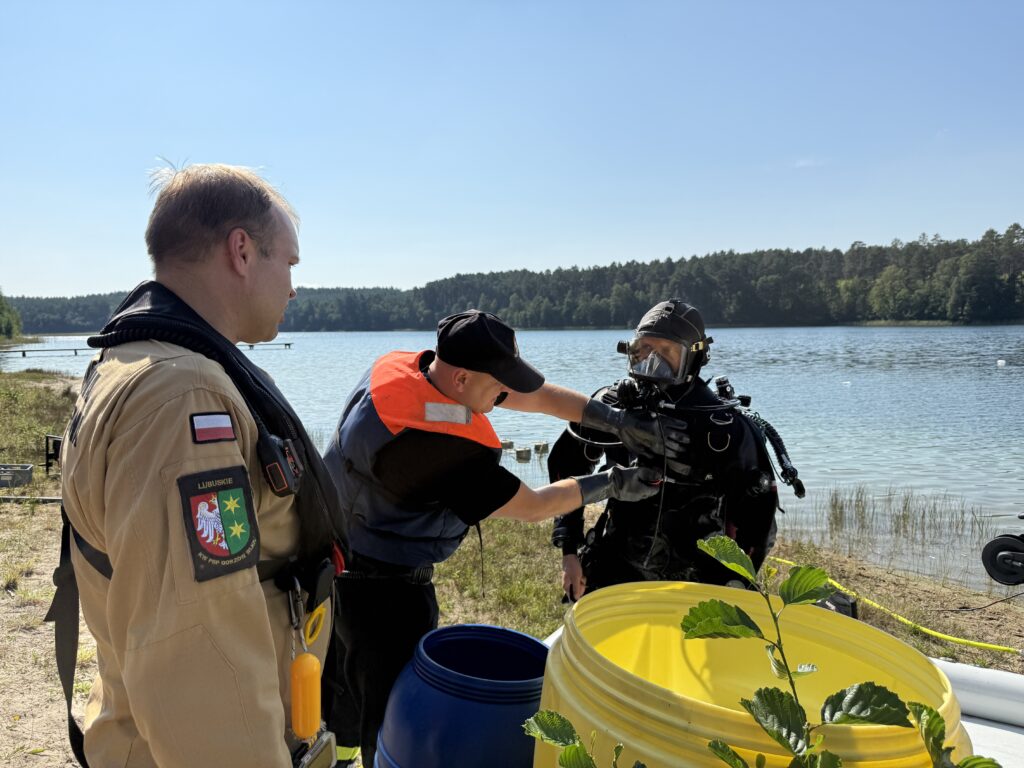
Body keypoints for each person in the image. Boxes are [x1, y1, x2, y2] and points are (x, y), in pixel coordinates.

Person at [48, 164, 346, 768]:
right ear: (241, 250)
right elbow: (197, 657)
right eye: (289, 263)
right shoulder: (182, 399)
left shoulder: (135, 358)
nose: (293, 288)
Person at [321, 309, 687, 766]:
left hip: (332, 549)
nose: (505, 393)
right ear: (461, 380)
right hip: (382, 587)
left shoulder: (413, 370)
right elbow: (533, 506)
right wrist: (612, 483)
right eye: (498, 383)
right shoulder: (434, 448)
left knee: (341, 684)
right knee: (387, 704)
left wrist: (613, 419)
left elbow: (534, 396)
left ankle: (334, 756)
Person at [549, 299, 804, 601]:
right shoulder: (612, 407)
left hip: (698, 578)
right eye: (643, 350)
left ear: (694, 358)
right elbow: (566, 463)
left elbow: (758, 521)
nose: (652, 363)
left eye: (666, 352)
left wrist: (737, 586)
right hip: (618, 562)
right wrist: (570, 551)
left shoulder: (724, 428)